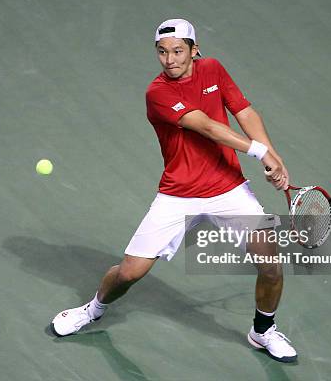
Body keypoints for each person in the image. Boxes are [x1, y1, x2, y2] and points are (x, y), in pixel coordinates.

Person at [51, 18, 297, 363]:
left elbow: (243, 110)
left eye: (178, 51)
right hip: (177, 196)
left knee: (271, 264)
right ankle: (92, 309)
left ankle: (263, 332)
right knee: (130, 272)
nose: (170, 59)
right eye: (162, 52)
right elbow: (207, 126)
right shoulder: (158, 93)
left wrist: (272, 154)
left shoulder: (213, 69)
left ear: (195, 51)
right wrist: (259, 152)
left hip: (229, 189)